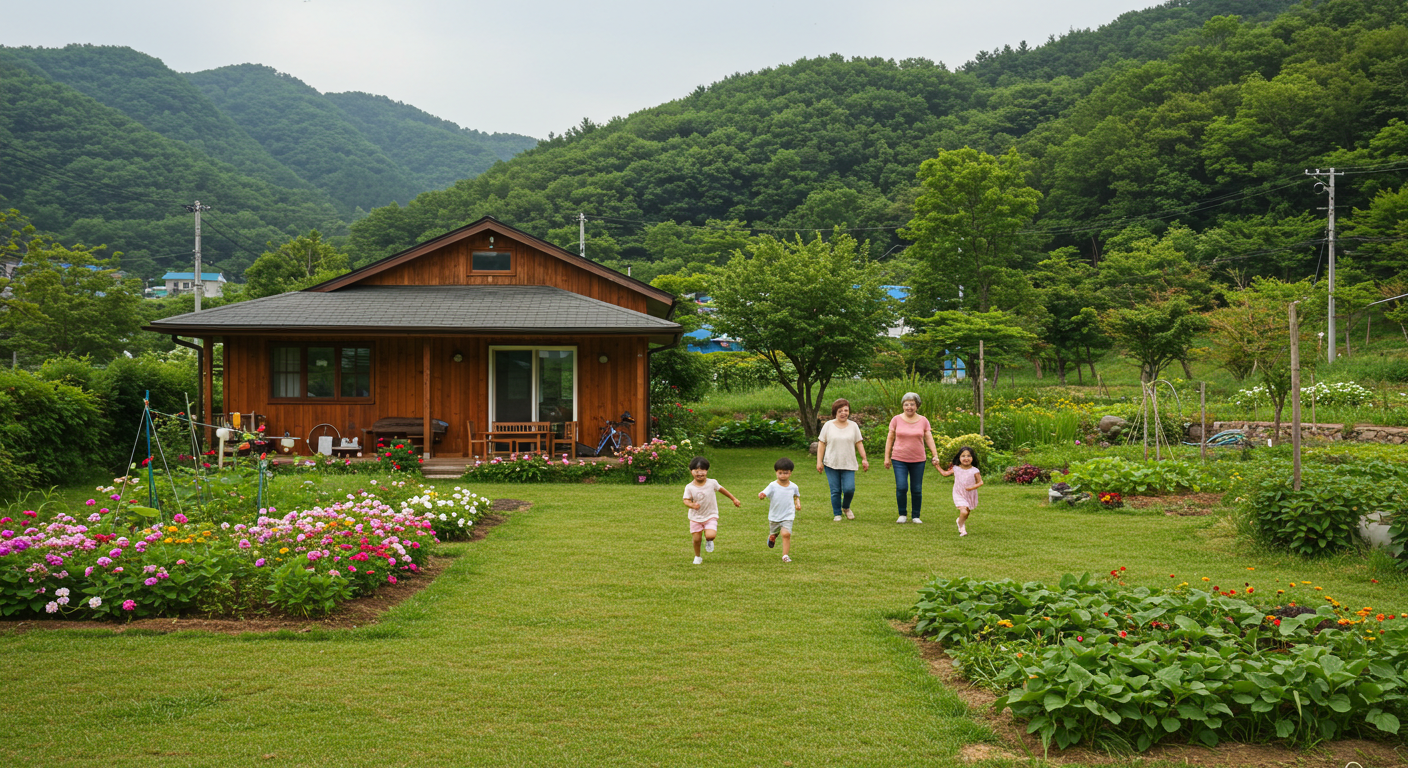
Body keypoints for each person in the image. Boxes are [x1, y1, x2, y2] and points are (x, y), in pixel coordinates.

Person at [882, 392, 942, 524]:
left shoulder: (923, 420)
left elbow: (929, 438)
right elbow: (890, 438)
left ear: (917, 405)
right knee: (902, 486)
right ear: (903, 406)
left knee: (916, 488)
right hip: (899, 458)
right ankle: (902, 514)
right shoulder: (896, 419)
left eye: (912, 404)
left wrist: (935, 454)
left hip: (918, 460)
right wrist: (887, 457)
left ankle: (916, 516)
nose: (909, 407)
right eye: (906, 404)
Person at [815, 398, 868, 521]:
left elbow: (859, 443)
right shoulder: (828, 425)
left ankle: (846, 507)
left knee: (849, 489)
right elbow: (821, 443)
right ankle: (837, 513)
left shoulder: (853, 426)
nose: (843, 413)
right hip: (831, 463)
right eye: (840, 410)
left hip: (849, 463)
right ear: (835, 412)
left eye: (846, 410)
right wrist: (819, 461)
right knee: (835, 490)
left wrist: (864, 459)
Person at [683, 456, 741, 564]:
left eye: (702, 470)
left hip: (710, 515)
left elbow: (723, 490)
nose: (699, 473)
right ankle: (697, 557)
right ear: (691, 471)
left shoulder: (712, 483)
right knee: (696, 539)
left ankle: (709, 541)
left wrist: (734, 499)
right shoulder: (689, 487)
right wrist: (692, 505)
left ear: (707, 470)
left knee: (710, 535)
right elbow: (685, 500)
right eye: (696, 470)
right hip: (695, 517)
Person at [758, 457, 802, 563]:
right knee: (775, 532)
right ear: (776, 472)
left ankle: (785, 555)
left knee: (786, 534)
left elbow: (796, 496)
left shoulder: (793, 486)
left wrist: (798, 504)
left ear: (790, 473)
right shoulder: (772, 486)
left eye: (785, 473)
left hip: (788, 514)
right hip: (775, 515)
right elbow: (764, 493)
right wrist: (762, 495)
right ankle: (772, 536)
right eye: (780, 473)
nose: (782, 475)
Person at [937, 446, 983, 537]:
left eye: (969, 456)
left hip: (970, 494)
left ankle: (960, 521)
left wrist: (972, 487)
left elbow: (980, 482)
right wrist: (937, 466)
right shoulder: (956, 469)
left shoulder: (975, 471)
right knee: (964, 512)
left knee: (967, 513)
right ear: (959, 458)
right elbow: (945, 473)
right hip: (958, 493)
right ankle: (962, 528)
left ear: (972, 458)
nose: (966, 458)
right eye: (963, 456)